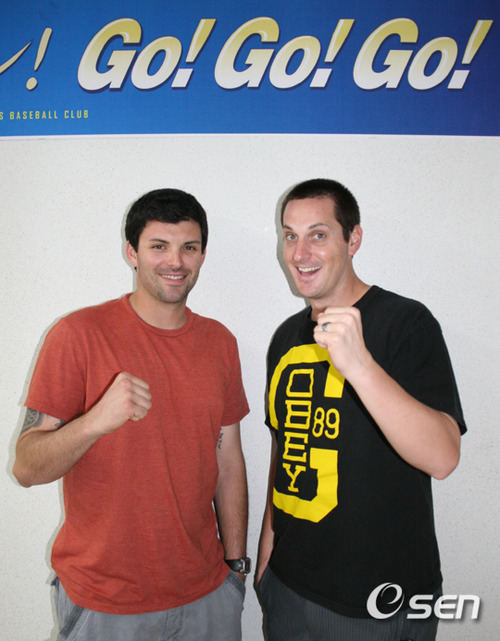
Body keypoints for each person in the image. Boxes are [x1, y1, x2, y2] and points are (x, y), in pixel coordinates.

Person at [13, 188, 251, 641]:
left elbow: (228, 460)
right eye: (158, 246)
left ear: (202, 255)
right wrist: (94, 421)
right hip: (105, 603)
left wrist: (235, 566)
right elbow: (26, 468)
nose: (175, 261)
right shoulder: (78, 335)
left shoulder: (220, 342)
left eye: (189, 247)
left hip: (206, 595)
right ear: (132, 252)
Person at [256, 178, 466, 641]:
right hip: (288, 586)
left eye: (318, 234)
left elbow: (443, 457)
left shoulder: (406, 323)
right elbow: (285, 447)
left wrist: (360, 365)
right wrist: (268, 549)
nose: (299, 253)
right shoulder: (286, 338)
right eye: (289, 235)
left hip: (378, 604)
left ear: (353, 239)